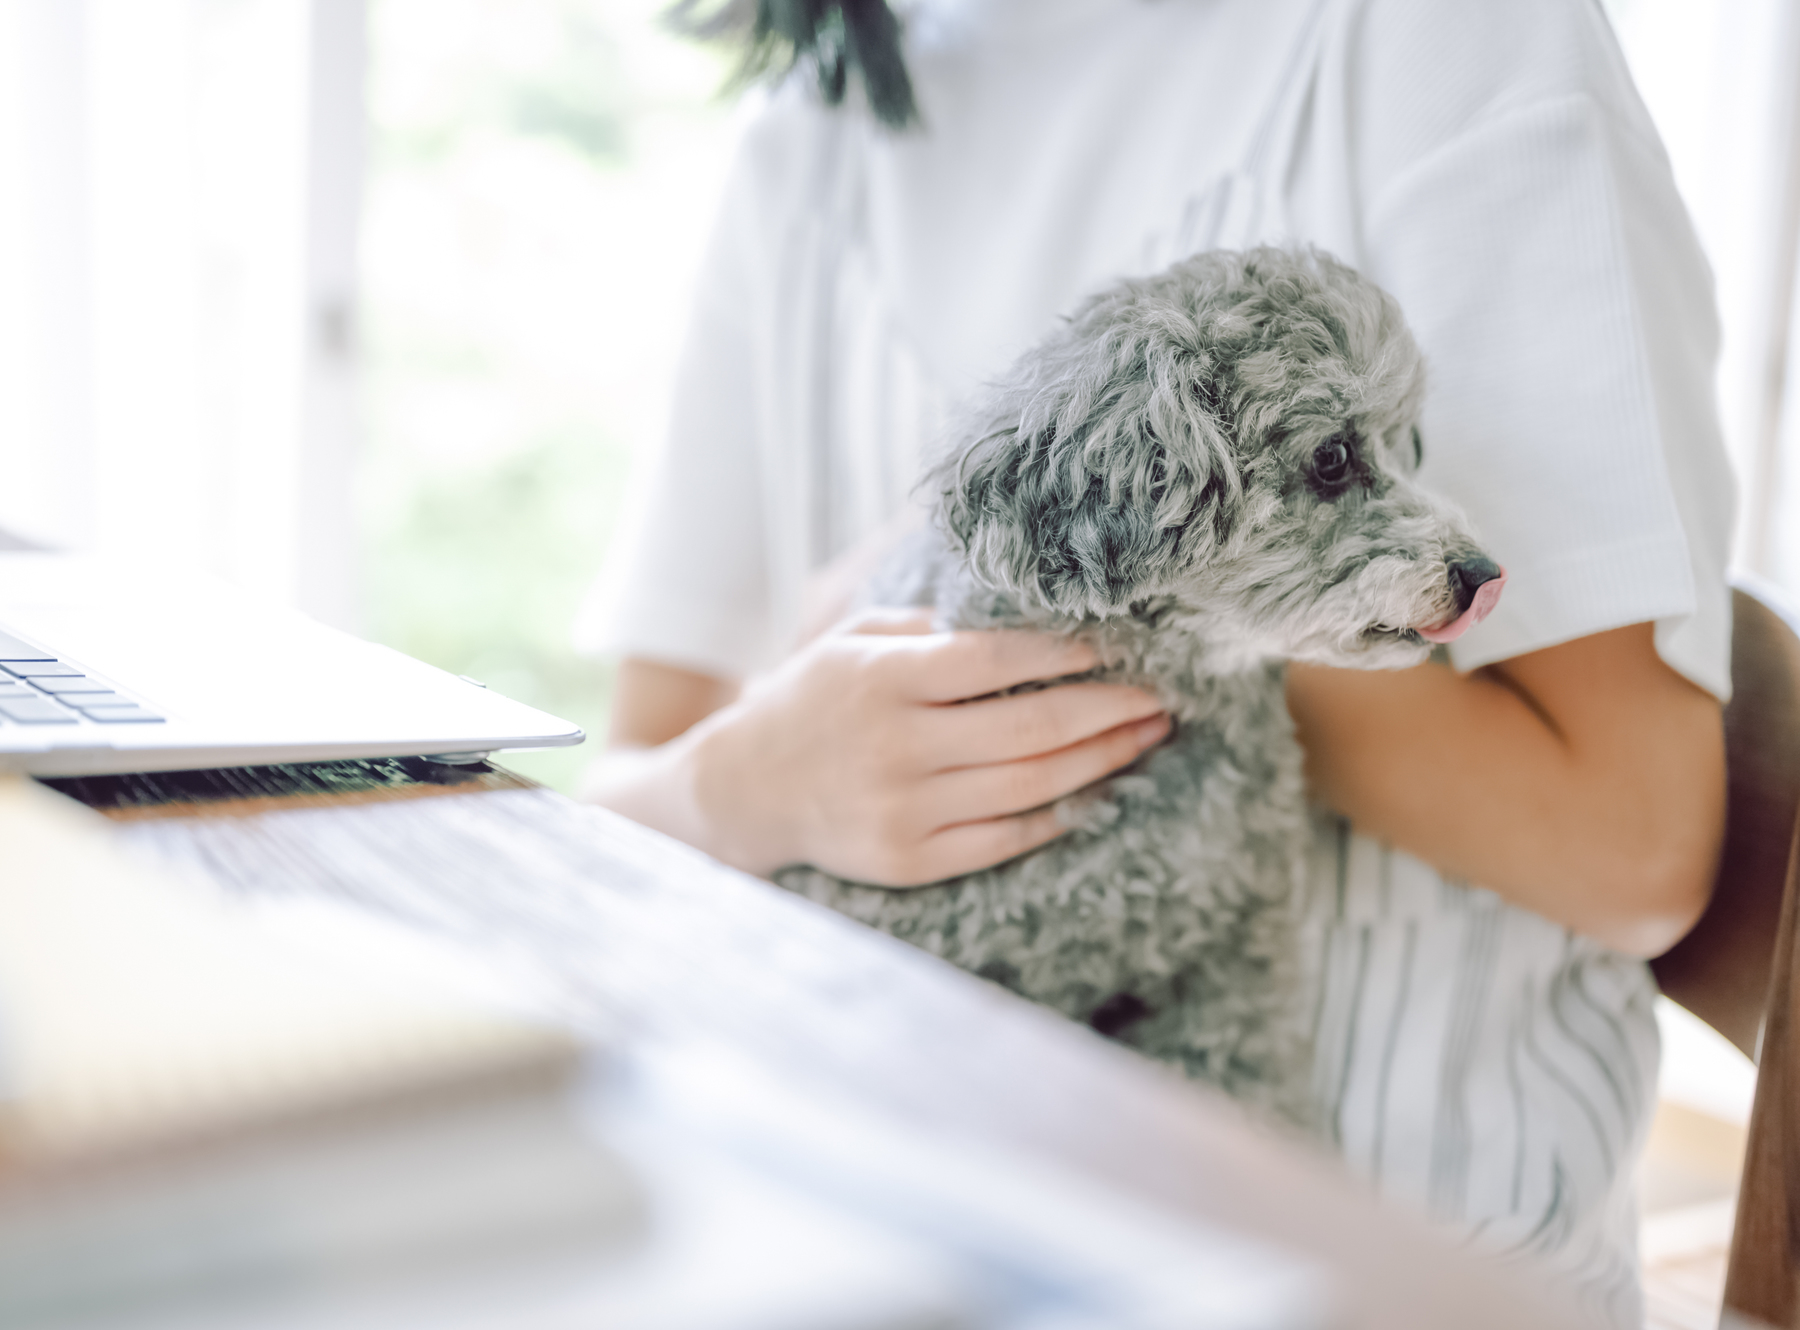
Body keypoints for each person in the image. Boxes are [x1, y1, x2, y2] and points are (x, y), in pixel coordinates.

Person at [578, 1, 1732, 1322]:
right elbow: (632, 789)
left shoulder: (1451, 39)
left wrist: (1162, 574)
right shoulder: (806, 126)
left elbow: (1634, 843)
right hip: (884, 1234)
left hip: (1394, 1244)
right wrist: (745, 781)